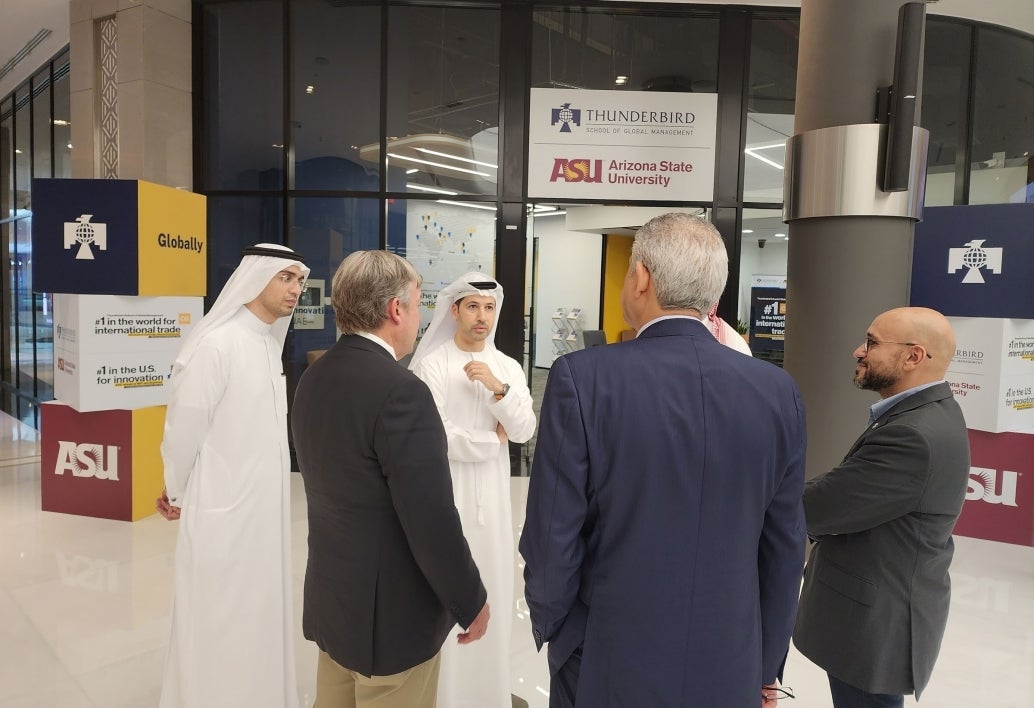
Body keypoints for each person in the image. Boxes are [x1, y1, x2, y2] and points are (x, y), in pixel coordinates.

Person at [519, 212, 807, 708]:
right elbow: (784, 545)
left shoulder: (581, 378)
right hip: (731, 655)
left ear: (642, 278)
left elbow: (552, 532)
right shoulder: (778, 391)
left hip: (605, 650)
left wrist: (555, 628)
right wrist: (767, 664)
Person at [291, 250, 490, 708]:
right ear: (395, 310)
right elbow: (431, 518)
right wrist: (470, 600)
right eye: (418, 305)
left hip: (335, 604)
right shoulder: (401, 392)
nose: (419, 319)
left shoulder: (313, 377)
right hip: (391, 623)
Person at [155, 243, 309, 708]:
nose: (296, 289)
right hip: (221, 508)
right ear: (253, 278)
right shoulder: (217, 344)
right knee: (217, 615)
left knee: (257, 614)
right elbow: (184, 428)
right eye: (285, 277)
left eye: (299, 280)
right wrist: (175, 489)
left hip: (263, 513)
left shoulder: (265, 342)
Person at [793, 307, 970, 708]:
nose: (859, 351)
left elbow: (823, 506)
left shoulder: (912, 435)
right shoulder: (927, 413)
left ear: (913, 356)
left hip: (875, 624)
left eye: (872, 343)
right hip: (880, 610)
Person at [409, 273, 537, 708]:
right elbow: (434, 436)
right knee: (445, 595)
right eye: (472, 306)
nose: (481, 316)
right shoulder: (432, 365)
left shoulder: (507, 368)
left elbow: (523, 430)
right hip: (447, 500)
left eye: (488, 307)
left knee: (493, 590)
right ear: (454, 311)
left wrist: (497, 390)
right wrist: (489, 440)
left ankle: (487, 695)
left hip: (495, 509)